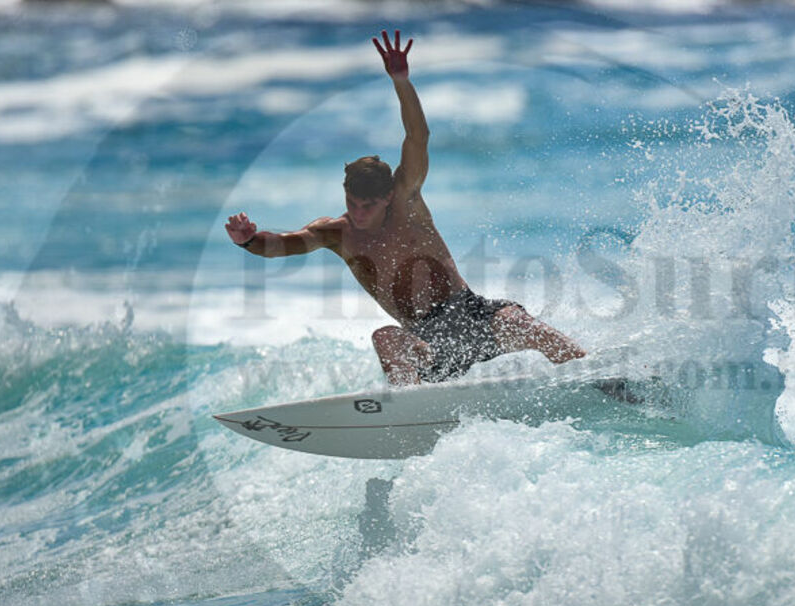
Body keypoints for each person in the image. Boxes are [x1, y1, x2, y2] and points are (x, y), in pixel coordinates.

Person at [225, 30, 586, 385]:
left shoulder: (407, 202)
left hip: (472, 314)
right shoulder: (336, 233)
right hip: (428, 342)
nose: (359, 212)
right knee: (385, 337)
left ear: (388, 197)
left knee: (518, 323)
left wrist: (401, 81)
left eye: (368, 205)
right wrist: (248, 241)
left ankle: (597, 375)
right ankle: (410, 413)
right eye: (352, 202)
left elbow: (418, 137)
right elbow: (281, 244)